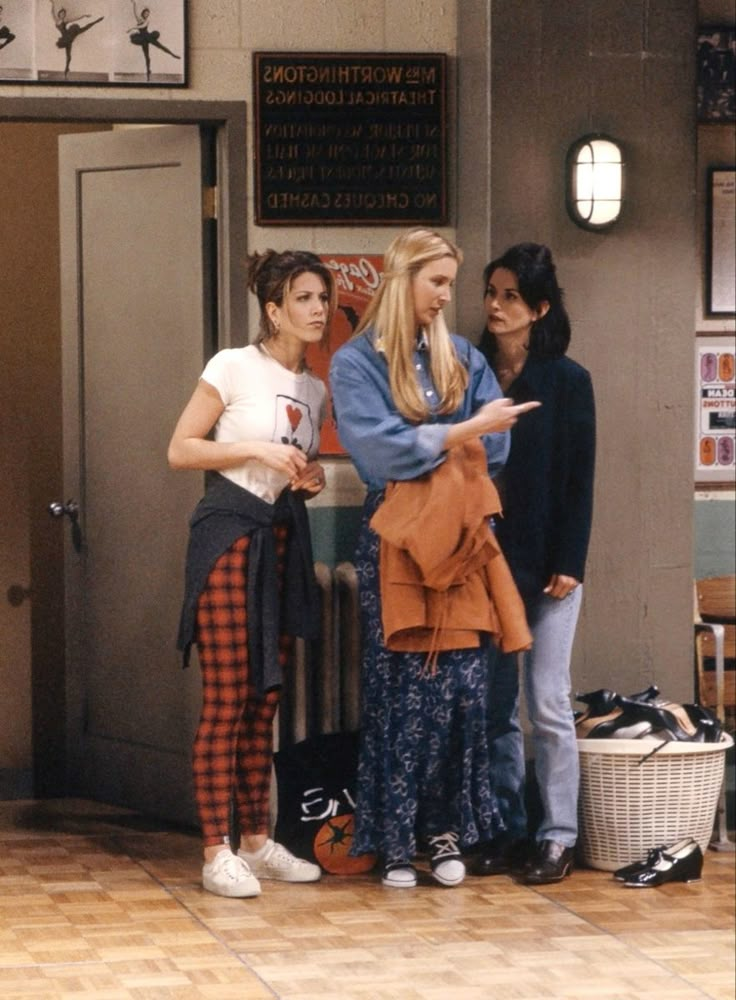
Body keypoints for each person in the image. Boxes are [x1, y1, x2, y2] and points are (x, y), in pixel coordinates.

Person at [329, 228, 540, 890]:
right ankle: (395, 841)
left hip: (464, 536)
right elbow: (375, 452)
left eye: (452, 283)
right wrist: (456, 435)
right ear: (403, 279)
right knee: (399, 691)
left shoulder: (462, 359)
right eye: (439, 282)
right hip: (393, 537)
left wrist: (447, 443)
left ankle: (445, 830)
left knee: (463, 693)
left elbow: (494, 452)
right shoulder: (356, 362)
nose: (450, 296)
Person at [168, 249, 338, 898]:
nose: (318, 309)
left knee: (266, 697)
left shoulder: (313, 388)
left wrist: (313, 477)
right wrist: (254, 448)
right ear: (273, 309)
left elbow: (293, 469)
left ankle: (257, 842)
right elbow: (181, 448)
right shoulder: (232, 366)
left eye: (322, 298)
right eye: (303, 298)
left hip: (283, 536)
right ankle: (216, 852)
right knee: (227, 698)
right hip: (229, 535)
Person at [471, 242, 596, 885]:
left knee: (546, 700)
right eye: (491, 292)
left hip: (550, 569)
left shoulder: (568, 380)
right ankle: (503, 830)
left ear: (539, 308)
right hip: (489, 564)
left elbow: (580, 478)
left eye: (510, 296)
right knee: (494, 707)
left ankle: (557, 835)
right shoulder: (472, 372)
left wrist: (571, 559)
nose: (495, 306)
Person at [127, 1, 180, 80]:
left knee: (160, 46)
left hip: (148, 37)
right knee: (146, 56)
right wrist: (134, 3)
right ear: (143, 13)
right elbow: (135, 12)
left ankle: (172, 54)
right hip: (143, 39)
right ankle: (148, 71)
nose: (147, 15)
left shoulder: (147, 21)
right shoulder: (139, 19)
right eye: (146, 13)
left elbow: (142, 26)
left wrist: (133, 28)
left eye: (148, 14)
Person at [50, 2, 104, 78]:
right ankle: (66, 69)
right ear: (59, 14)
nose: (63, 15)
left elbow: (75, 18)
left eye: (64, 14)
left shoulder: (66, 21)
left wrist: (84, 16)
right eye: (62, 13)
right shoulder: (56, 20)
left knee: (85, 28)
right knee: (68, 56)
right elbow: (52, 13)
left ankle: (97, 20)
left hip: (70, 34)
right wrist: (52, 3)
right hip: (66, 39)